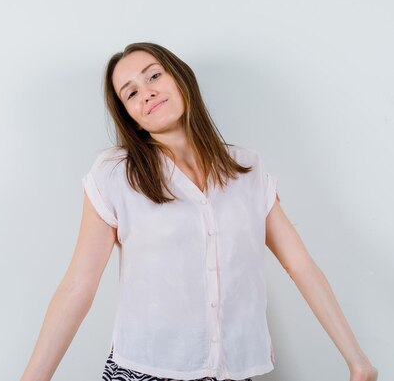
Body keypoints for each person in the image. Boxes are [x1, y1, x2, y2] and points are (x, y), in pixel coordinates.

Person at [19, 42, 378, 381]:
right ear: (130, 116)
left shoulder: (247, 169)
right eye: (130, 93)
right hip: (146, 368)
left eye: (154, 75)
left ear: (179, 77)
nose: (146, 92)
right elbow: (77, 286)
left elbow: (300, 265)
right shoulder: (115, 173)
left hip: (233, 371)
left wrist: (356, 359)